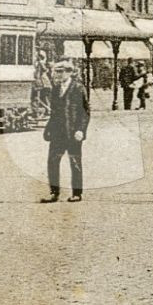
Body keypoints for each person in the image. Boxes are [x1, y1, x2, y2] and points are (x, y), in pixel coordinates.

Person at [42, 59, 89, 202]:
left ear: (69, 72)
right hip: (57, 133)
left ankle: (77, 193)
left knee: (75, 162)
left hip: (73, 133)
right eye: (56, 71)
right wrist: (48, 129)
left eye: (61, 71)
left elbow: (85, 111)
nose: (57, 74)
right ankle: (54, 193)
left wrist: (81, 130)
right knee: (52, 162)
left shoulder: (78, 88)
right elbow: (54, 112)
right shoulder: (56, 89)